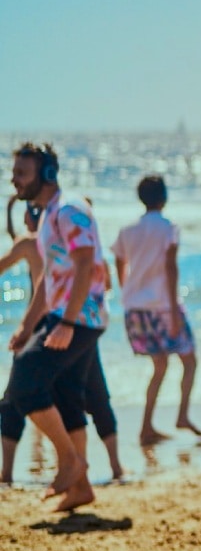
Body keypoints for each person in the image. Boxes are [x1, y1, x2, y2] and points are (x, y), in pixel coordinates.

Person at [2, 143, 114, 511]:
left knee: (24, 379)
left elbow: (85, 266)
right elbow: (50, 281)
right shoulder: (50, 215)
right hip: (66, 316)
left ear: (47, 175)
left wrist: (66, 322)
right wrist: (27, 325)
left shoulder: (69, 210)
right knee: (68, 398)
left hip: (80, 318)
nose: (14, 179)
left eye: (22, 173)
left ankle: (70, 461)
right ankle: (80, 488)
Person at [112, 174, 201, 445]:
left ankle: (147, 427)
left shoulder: (127, 230)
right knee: (189, 360)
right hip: (162, 306)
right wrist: (175, 310)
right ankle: (182, 415)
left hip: (135, 307)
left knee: (160, 365)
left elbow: (118, 259)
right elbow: (170, 268)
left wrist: (126, 287)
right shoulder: (168, 228)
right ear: (163, 197)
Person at [1, 196, 44, 484]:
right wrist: (10, 209)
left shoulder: (30, 242)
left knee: (12, 400)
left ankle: (6, 473)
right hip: (68, 324)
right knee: (75, 394)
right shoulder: (57, 242)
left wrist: (9, 208)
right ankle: (112, 466)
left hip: (35, 326)